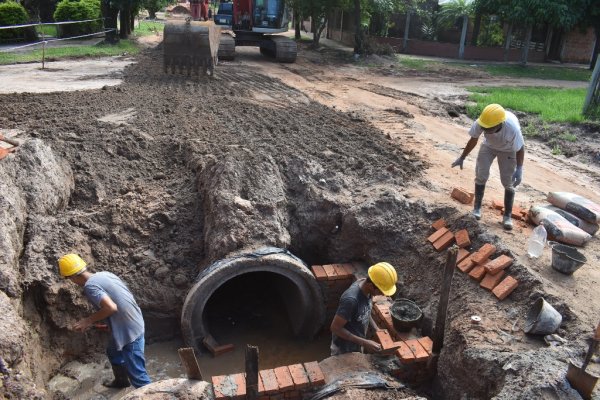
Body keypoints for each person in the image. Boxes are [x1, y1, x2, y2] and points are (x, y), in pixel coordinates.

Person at [58, 254, 151, 389]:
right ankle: (121, 381)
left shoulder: (90, 286)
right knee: (113, 352)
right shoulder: (104, 275)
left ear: (72, 277)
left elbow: (111, 307)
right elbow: (122, 298)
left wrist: (87, 321)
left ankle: (149, 394)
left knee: (139, 377)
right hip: (133, 320)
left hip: (130, 331)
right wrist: (113, 324)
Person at [451, 103, 525, 230]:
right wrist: (462, 157)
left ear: (499, 124)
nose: (484, 129)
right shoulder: (482, 122)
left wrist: (519, 169)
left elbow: (520, 148)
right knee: (481, 174)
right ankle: (477, 208)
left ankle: (507, 216)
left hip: (508, 150)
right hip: (488, 146)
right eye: (483, 127)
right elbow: (473, 139)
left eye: (488, 128)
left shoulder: (512, 129)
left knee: (508, 181)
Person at [330, 262, 398, 355]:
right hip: (343, 349)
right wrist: (364, 342)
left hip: (357, 343)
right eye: (382, 291)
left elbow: (365, 311)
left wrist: (376, 328)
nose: (383, 294)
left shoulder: (367, 290)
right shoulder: (351, 300)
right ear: (371, 286)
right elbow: (335, 328)